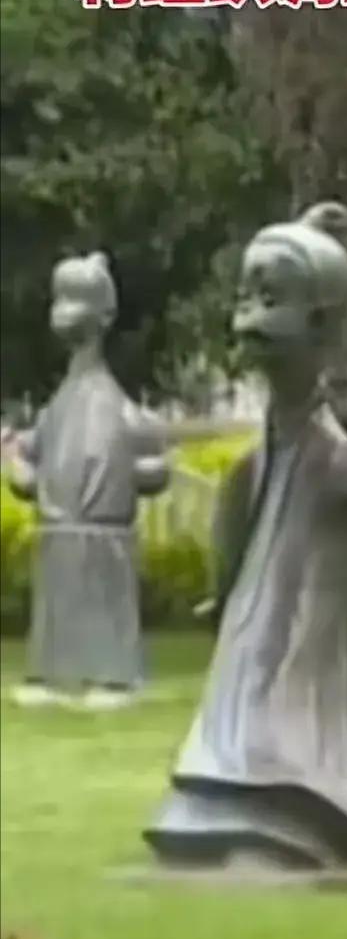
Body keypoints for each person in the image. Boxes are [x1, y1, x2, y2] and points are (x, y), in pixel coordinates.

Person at [145, 203, 347, 873]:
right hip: (259, 597)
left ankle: (295, 803)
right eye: (247, 297)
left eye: (271, 300)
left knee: (290, 679)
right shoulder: (270, 443)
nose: (251, 316)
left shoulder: (321, 438)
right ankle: (228, 793)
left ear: (320, 324)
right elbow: (247, 506)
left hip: (305, 601)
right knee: (250, 676)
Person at [7, 252, 169, 708]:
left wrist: (140, 474)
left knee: (102, 592)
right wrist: (23, 471)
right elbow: (31, 456)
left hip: (104, 530)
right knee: (57, 599)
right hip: (58, 527)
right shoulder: (57, 409)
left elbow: (155, 463)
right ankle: (50, 672)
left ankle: (113, 676)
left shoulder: (119, 410)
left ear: (103, 316)